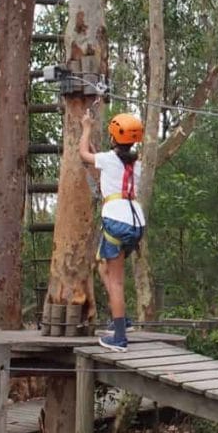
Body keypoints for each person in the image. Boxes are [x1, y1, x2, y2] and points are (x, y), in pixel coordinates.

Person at [80, 111, 146, 352]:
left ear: (114, 137)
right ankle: (123, 320)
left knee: (116, 281)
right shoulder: (136, 164)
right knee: (103, 266)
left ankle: (119, 338)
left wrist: (86, 127)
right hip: (135, 222)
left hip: (116, 221)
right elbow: (112, 174)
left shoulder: (107, 158)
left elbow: (84, 155)